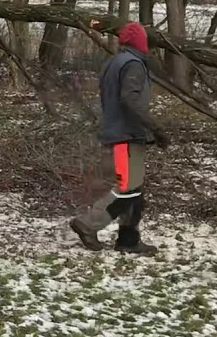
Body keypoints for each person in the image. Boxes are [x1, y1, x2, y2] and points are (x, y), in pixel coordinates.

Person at [70, 22, 170, 255]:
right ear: (141, 43)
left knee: (134, 190)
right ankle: (88, 224)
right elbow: (129, 99)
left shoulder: (113, 63)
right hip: (126, 136)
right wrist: (154, 127)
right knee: (128, 189)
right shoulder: (133, 65)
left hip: (116, 134)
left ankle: (129, 240)